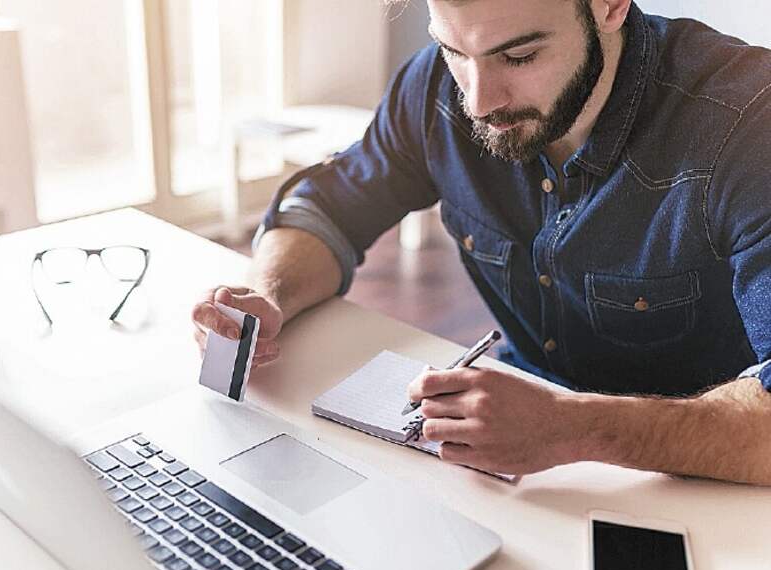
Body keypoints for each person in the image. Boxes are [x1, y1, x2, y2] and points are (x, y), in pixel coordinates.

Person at [192, 0, 771, 485]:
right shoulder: (436, 89)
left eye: (519, 56)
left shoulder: (749, 123)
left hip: (705, 488)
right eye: (454, 51)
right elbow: (327, 207)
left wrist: (573, 427)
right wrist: (269, 293)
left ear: (609, 6)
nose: (479, 101)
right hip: (512, 461)